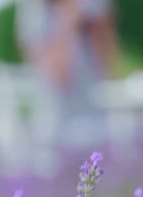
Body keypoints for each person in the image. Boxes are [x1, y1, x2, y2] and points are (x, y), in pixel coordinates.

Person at [15, 0, 117, 147]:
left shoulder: (88, 9)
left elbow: (108, 64)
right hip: (58, 126)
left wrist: (99, 24)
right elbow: (59, 76)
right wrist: (68, 21)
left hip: (98, 119)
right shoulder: (35, 11)